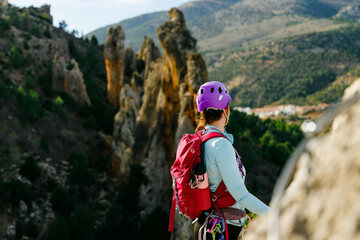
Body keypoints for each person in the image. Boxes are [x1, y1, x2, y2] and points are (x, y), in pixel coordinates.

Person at [193, 81, 269, 240]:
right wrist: (274, 215)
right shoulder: (221, 145)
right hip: (225, 229)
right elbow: (241, 196)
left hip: (210, 225)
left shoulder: (202, 140)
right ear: (226, 109)